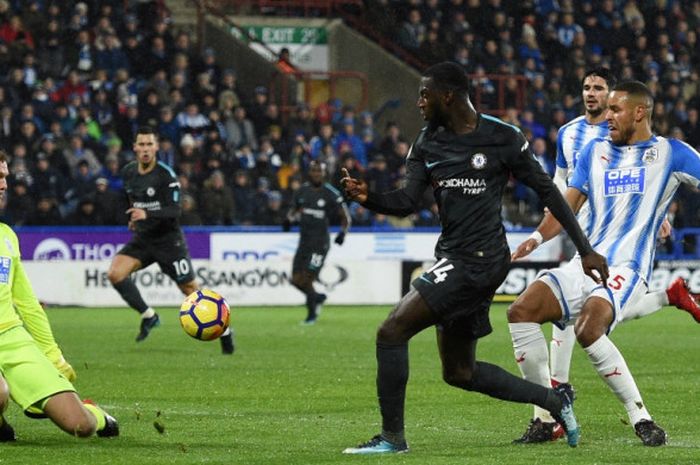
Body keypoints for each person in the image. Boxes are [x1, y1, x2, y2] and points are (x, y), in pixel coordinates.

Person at [340, 61, 608, 454]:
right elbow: (406, 202)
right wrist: (370, 198)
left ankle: (392, 438)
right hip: (454, 255)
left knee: (391, 331)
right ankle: (554, 401)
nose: (419, 103)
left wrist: (585, 250)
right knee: (459, 372)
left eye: (425, 95)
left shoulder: (502, 137)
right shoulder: (427, 142)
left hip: (481, 258)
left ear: (447, 96)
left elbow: (549, 193)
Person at [511, 69, 700, 444]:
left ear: (639, 113)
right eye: (607, 109)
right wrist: (535, 237)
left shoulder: (671, 153)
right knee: (521, 312)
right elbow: (565, 209)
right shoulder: (593, 152)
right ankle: (551, 407)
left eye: (616, 109)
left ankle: (640, 417)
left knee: (587, 328)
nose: (608, 116)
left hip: (628, 267)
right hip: (585, 261)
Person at [0, 150, 118, 441]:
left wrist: (53, 356)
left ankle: (96, 415)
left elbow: (27, 304)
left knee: (81, 426)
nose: (3, 185)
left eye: (4, 176)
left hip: (10, 338)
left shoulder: (6, 236)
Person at [107, 126, 235, 354]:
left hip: (169, 241)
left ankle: (224, 330)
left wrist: (147, 214)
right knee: (115, 273)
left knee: (191, 290)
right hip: (144, 239)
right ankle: (149, 316)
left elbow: (175, 211)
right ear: (135, 148)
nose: (145, 149)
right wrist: (135, 217)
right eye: (141, 144)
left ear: (156, 147)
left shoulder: (166, 175)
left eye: (149, 144)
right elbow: (132, 198)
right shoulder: (128, 172)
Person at [283, 160, 351, 325]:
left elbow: (346, 217)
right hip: (304, 242)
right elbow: (294, 210)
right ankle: (318, 297)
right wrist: (288, 219)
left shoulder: (331, 193)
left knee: (307, 279)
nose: (316, 174)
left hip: (320, 245)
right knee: (295, 280)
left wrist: (343, 233)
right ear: (309, 172)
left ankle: (311, 314)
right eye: (313, 171)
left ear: (324, 173)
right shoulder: (302, 191)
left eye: (319, 171)